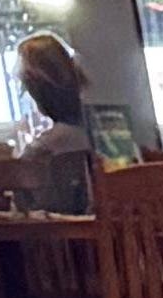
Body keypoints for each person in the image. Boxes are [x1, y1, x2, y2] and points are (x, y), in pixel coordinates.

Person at [10, 27, 98, 206]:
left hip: (60, 224)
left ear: (37, 91)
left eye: (26, 88)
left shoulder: (43, 149)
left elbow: (22, 205)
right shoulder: (111, 134)